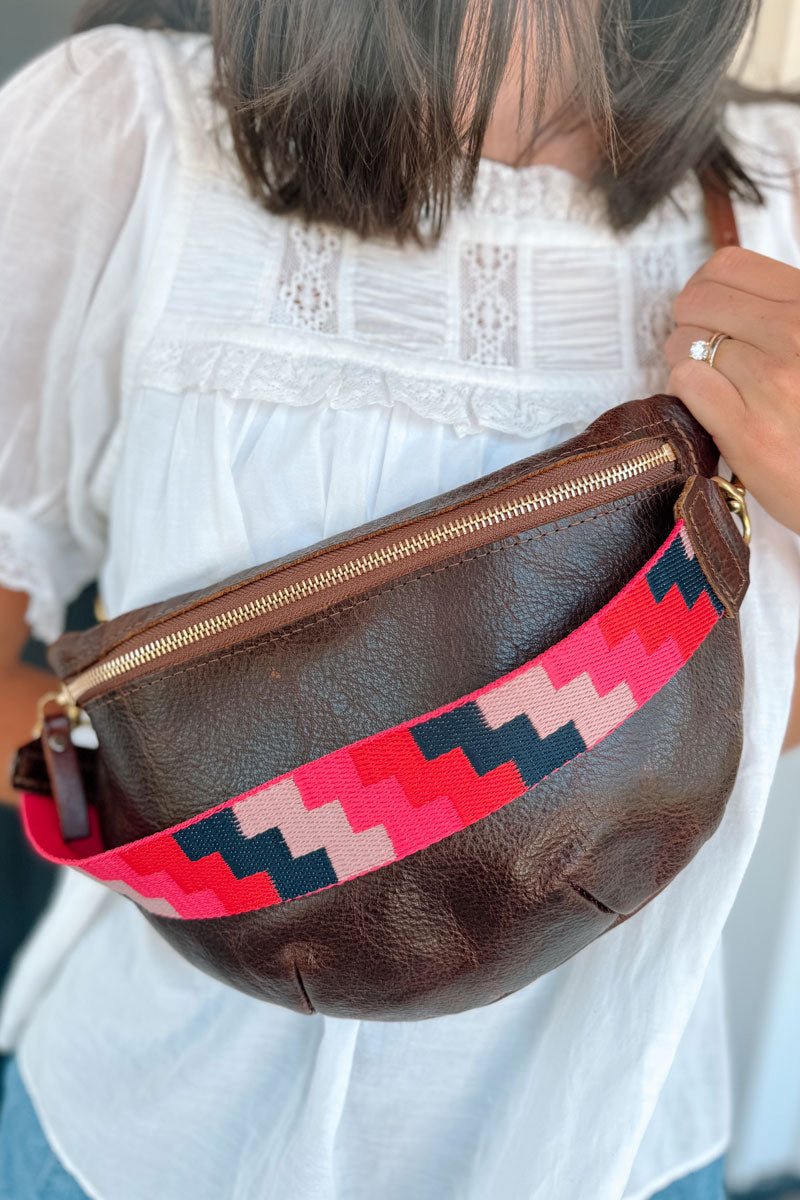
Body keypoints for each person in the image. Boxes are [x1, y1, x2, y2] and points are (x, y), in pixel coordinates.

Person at [0, 2, 799, 1197]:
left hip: (608, 1147)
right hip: (134, 1141)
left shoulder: (778, 194)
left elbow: (756, 700)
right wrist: (152, 805)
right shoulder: (115, 128)